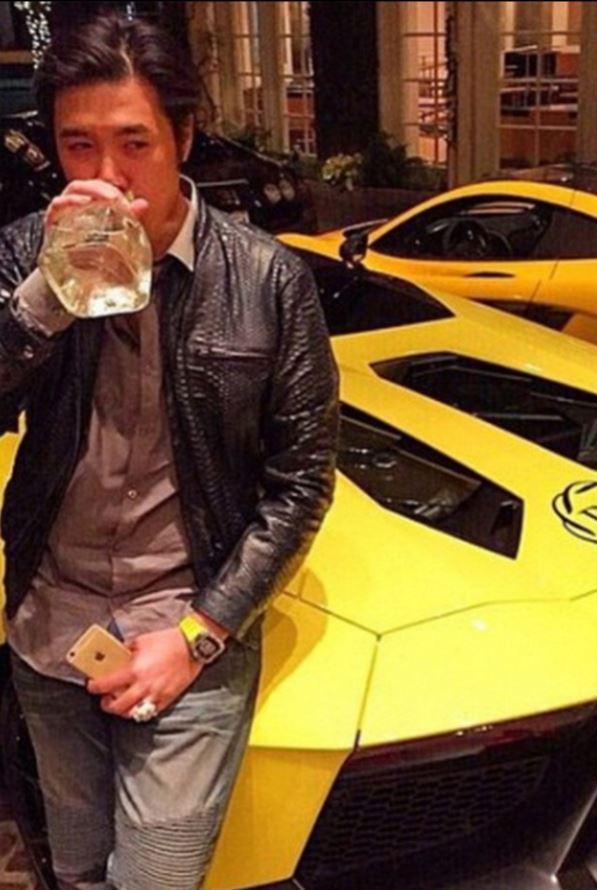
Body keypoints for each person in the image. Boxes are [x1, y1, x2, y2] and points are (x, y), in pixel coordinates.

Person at [0, 12, 338, 890]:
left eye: (134, 143)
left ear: (183, 138)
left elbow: (301, 483)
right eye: (78, 146)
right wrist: (46, 297)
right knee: (76, 867)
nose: (107, 176)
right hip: (52, 621)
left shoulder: (266, 279)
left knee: (154, 878)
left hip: (184, 623)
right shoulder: (25, 255)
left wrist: (201, 633)